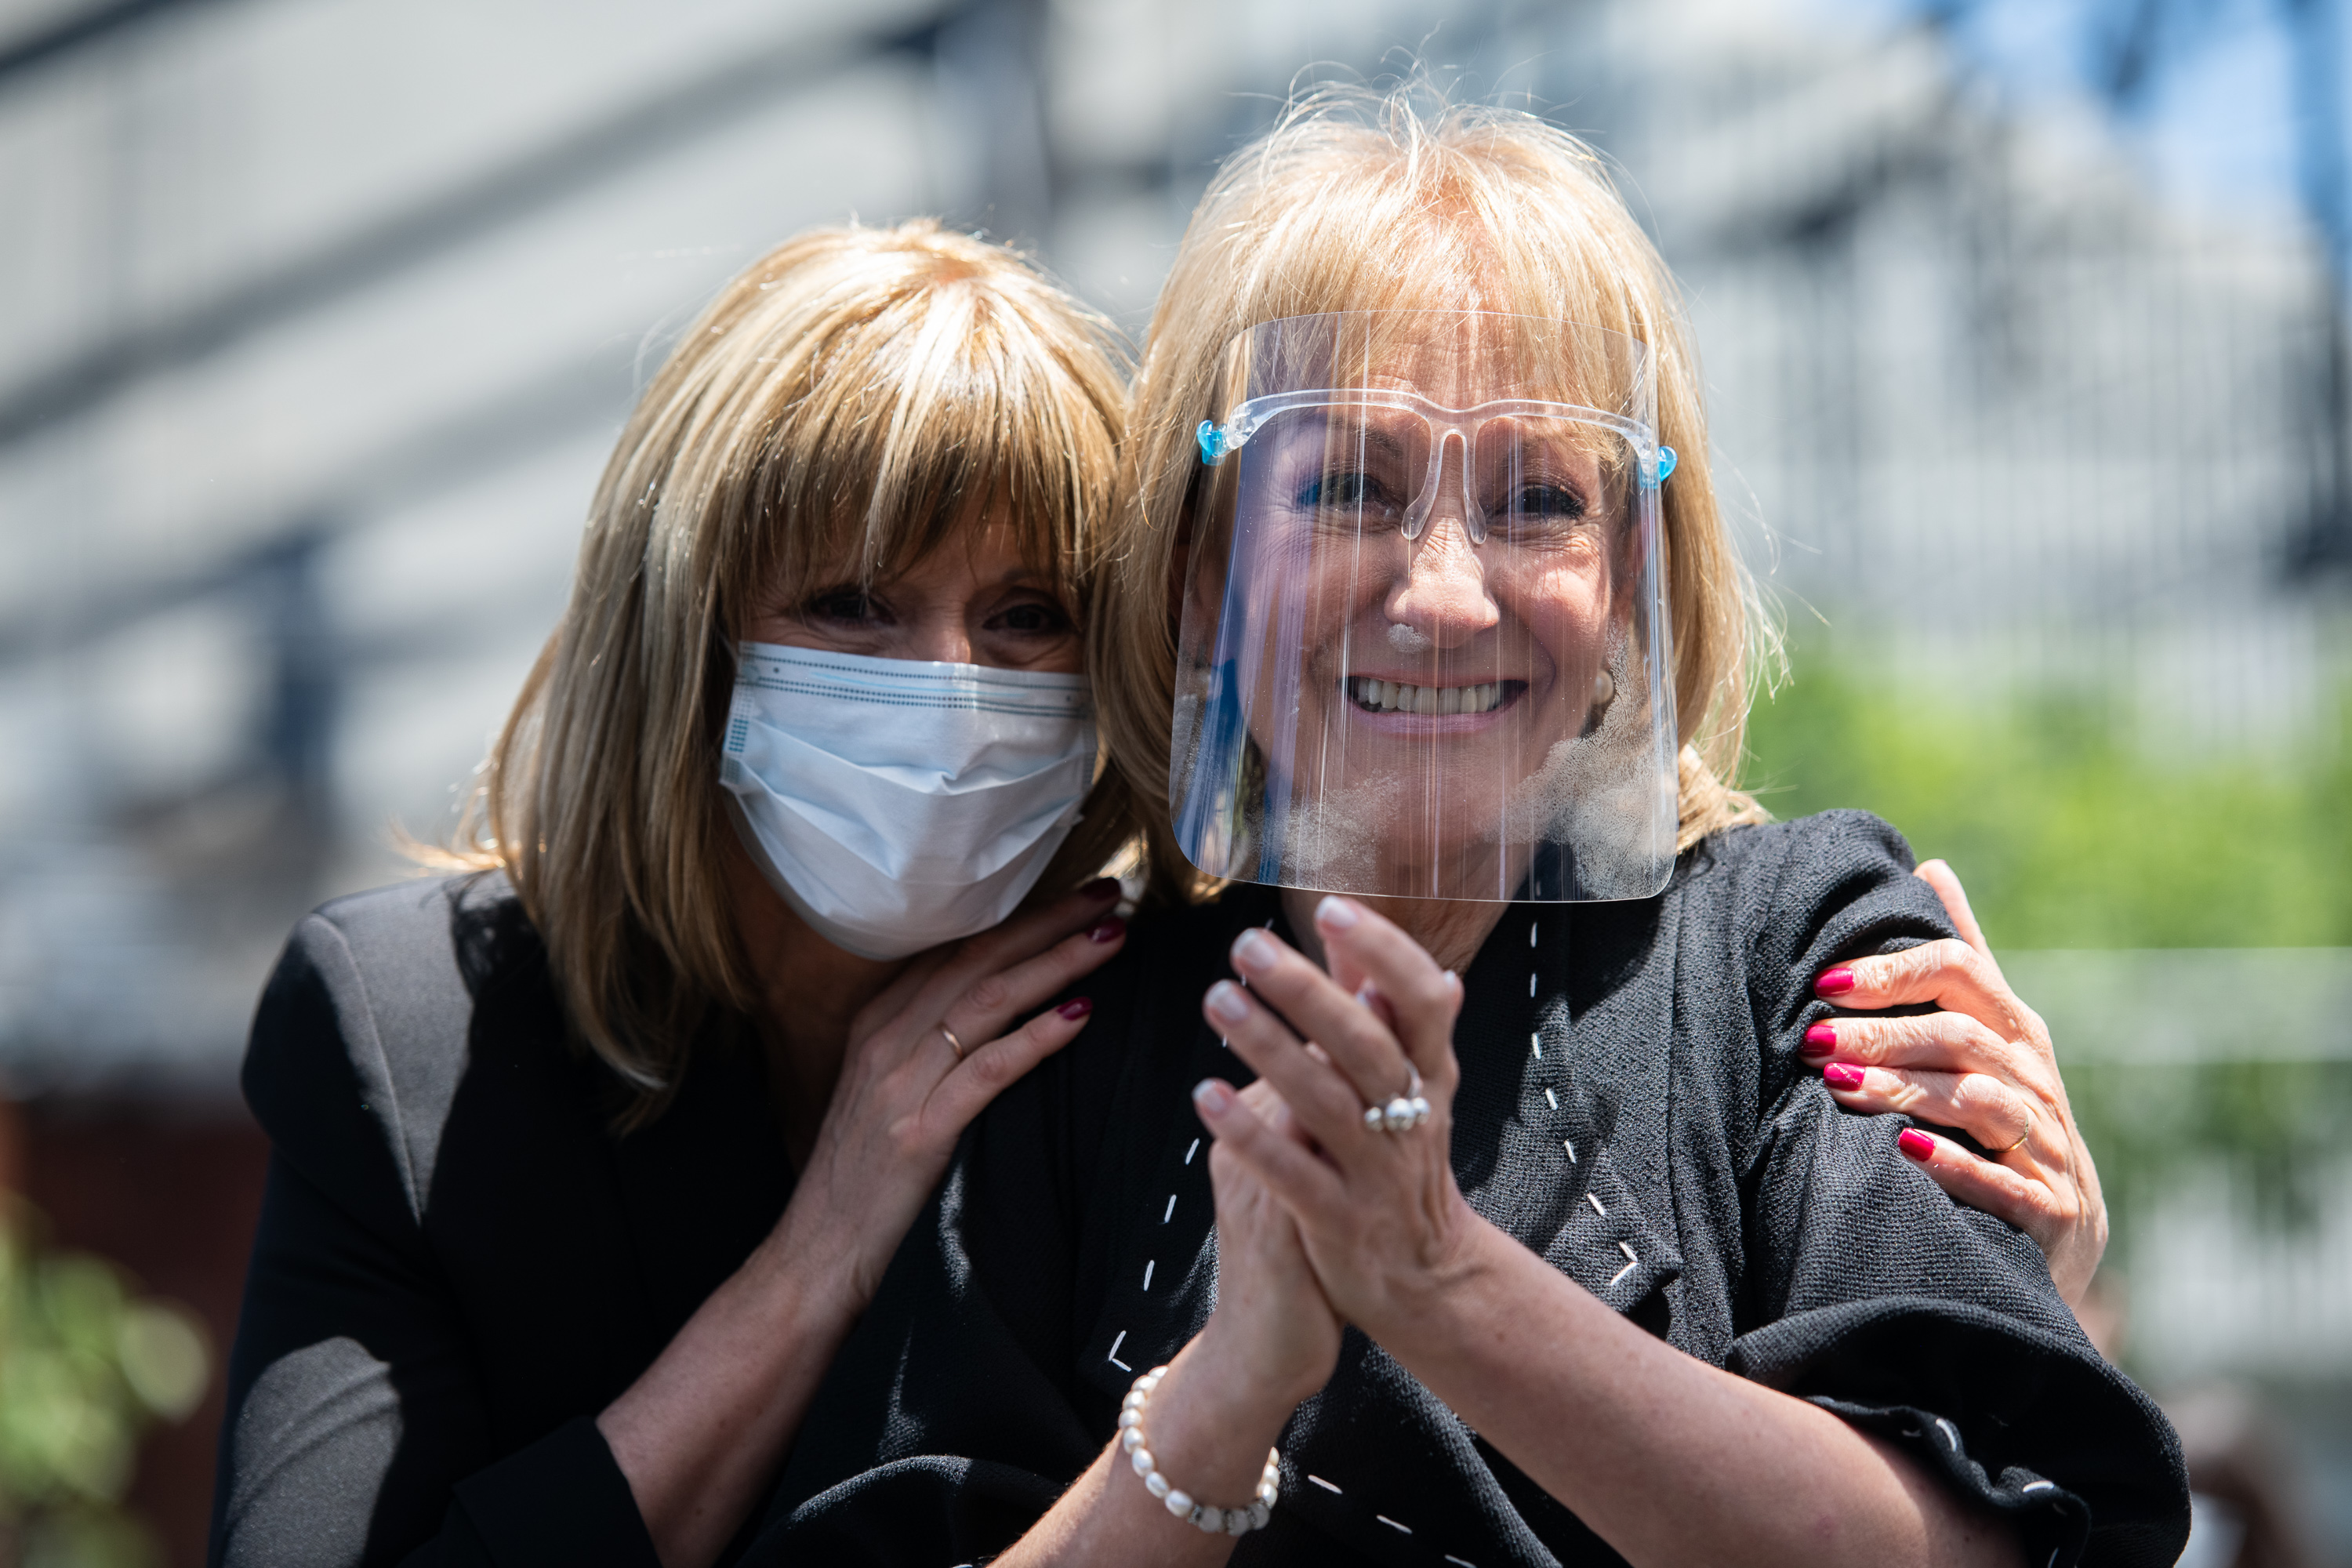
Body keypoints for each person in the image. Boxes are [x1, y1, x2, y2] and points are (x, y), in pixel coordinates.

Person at [746, 89, 2187, 1567]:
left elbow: (1996, 1541)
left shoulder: (1806, 954)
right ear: (1200, 571)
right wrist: (1217, 1403)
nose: (1443, 594)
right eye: (1350, 486)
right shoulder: (1057, 1037)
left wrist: (1435, 1279)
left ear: (1631, 577)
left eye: (1537, 498)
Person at [207, 221, 1145, 1568]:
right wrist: (819, 1256)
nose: (950, 688)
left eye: (1028, 615)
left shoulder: (1156, 1033)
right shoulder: (411, 1043)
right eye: (854, 602)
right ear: (686, 640)